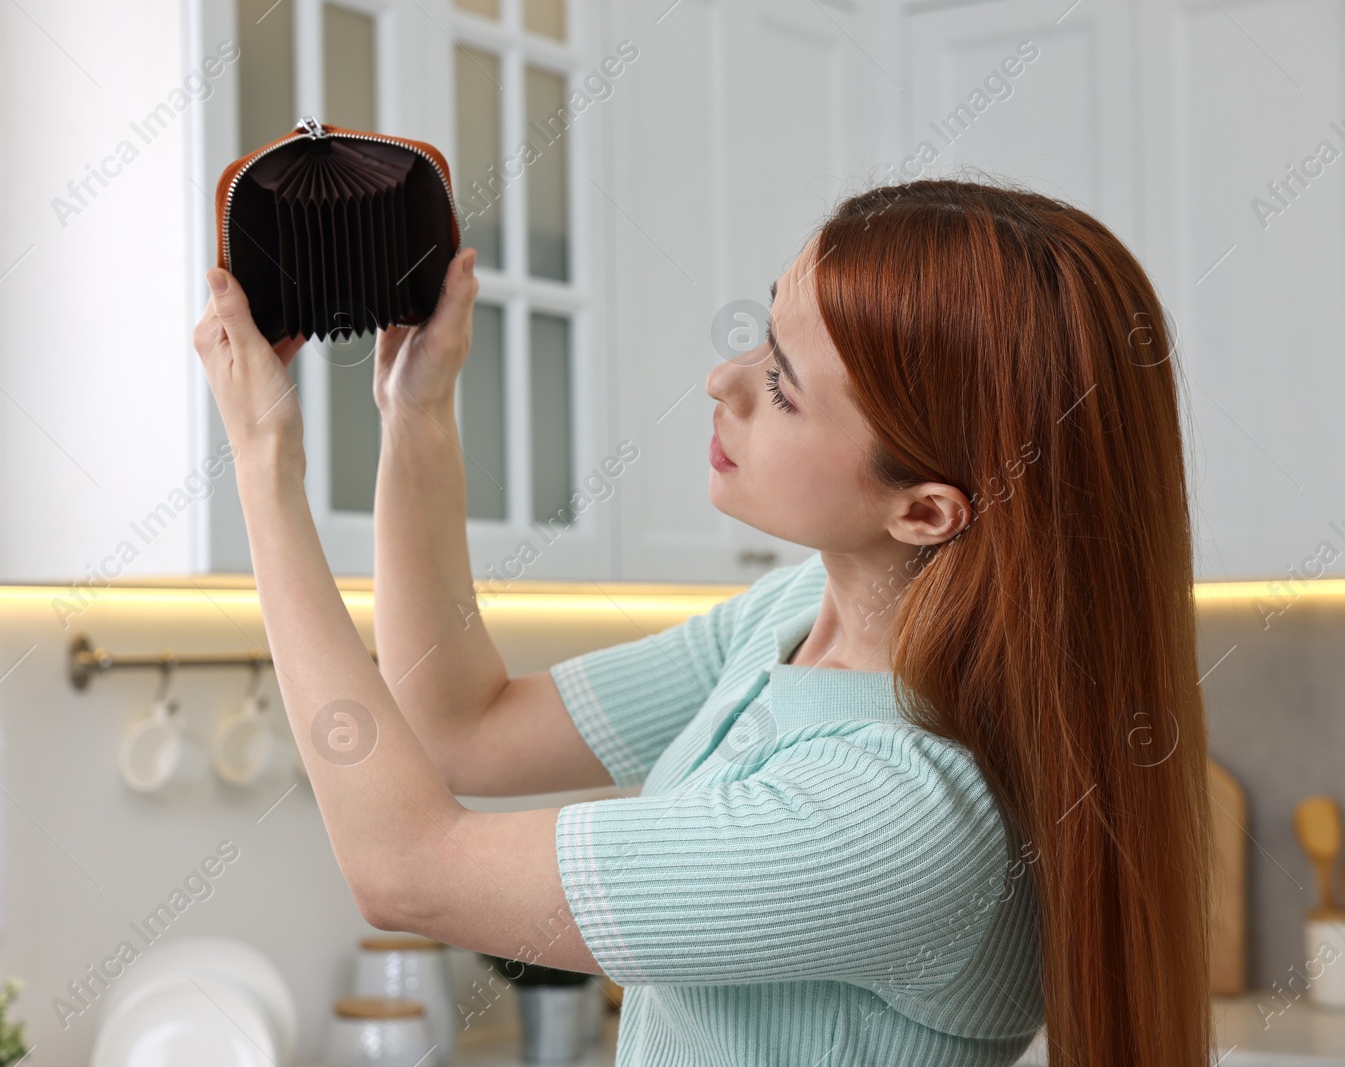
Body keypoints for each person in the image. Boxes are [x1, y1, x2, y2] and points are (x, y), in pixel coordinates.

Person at [193, 177, 1213, 1066]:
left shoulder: (900, 810)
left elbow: (407, 870)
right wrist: (415, 418)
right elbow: (461, 723)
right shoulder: (794, 615)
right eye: (764, 333)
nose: (724, 382)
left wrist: (262, 471)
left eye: (780, 384)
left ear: (923, 511)